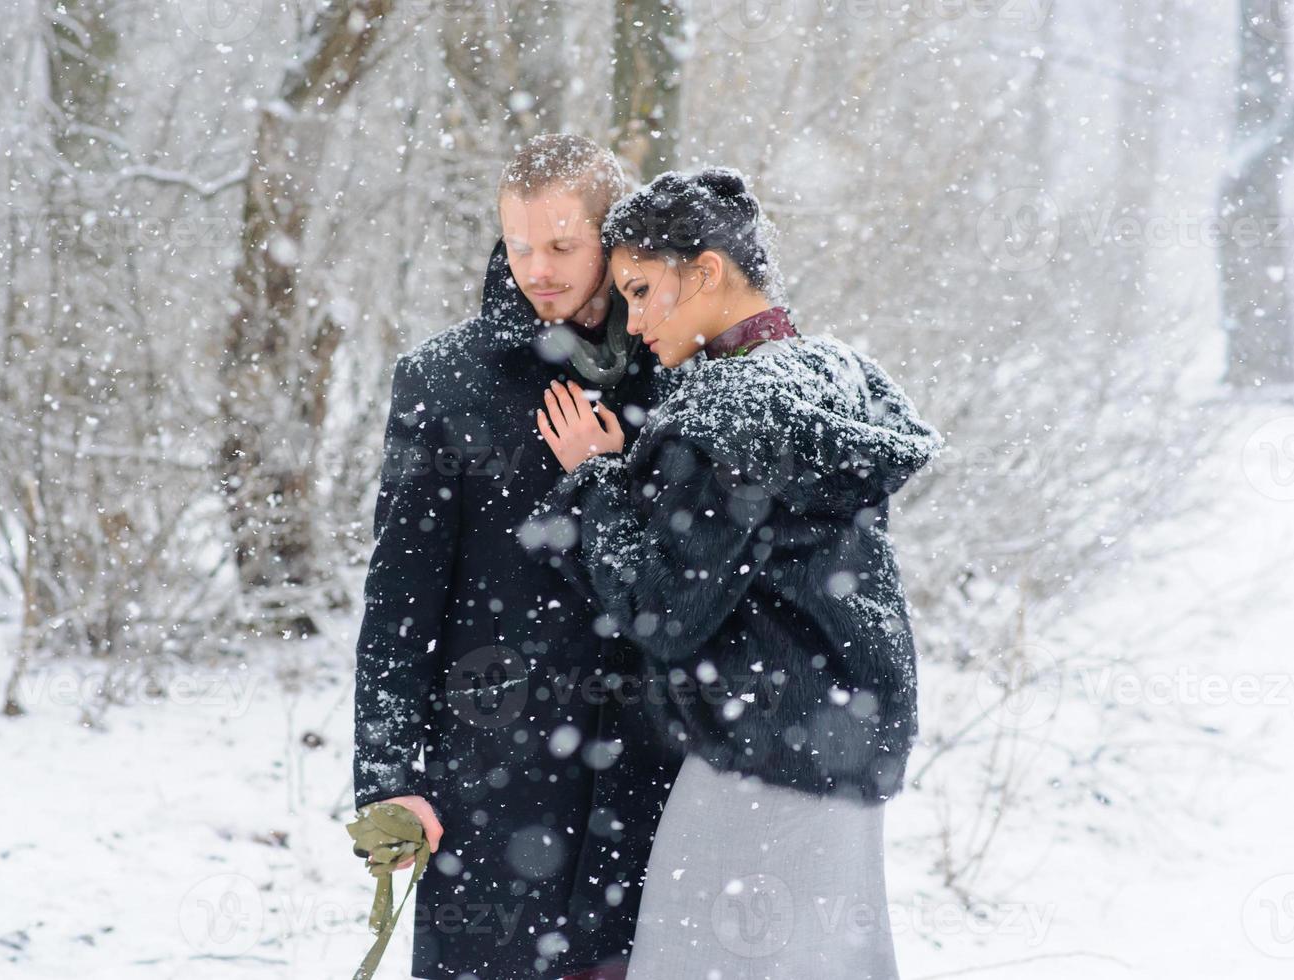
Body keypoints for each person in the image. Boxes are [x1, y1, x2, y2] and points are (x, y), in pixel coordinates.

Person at [521, 166, 945, 978]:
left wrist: (596, 479)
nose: (634, 320)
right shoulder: (831, 378)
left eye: (642, 291)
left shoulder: (729, 413)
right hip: (841, 742)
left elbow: (662, 611)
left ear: (706, 271)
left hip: (760, 752)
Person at [352, 134, 686, 980]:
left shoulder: (675, 369)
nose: (538, 266)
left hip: (648, 773)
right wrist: (386, 776)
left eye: (564, 245)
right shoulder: (444, 379)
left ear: (613, 239)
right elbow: (400, 595)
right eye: (520, 243)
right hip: (494, 775)